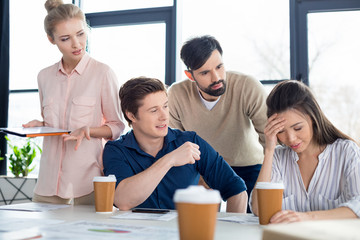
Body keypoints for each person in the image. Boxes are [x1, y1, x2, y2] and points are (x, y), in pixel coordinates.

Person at [22, 0, 125, 204]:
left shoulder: (103, 73)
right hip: (46, 186)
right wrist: (40, 126)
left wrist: (88, 130)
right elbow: (55, 124)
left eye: (81, 34)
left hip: (86, 186)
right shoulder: (44, 77)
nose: (77, 44)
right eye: (65, 38)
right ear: (52, 40)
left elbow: (117, 127)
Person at [102, 77, 248, 212]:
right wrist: (169, 160)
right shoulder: (116, 150)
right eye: (154, 110)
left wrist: (232, 229)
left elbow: (237, 190)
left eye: (165, 106)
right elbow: (123, 201)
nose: (164, 116)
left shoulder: (190, 142)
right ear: (131, 115)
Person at [167, 35, 268, 211]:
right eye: (205, 72)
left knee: (251, 223)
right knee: (200, 224)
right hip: (205, 168)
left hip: (248, 166)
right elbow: (175, 144)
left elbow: (269, 137)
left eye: (219, 67)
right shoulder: (176, 94)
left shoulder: (247, 86)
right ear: (190, 75)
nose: (216, 77)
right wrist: (197, 176)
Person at [251, 80, 360, 223]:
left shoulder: (346, 152)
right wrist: (270, 149)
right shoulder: (277, 157)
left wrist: (308, 217)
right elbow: (259, 210)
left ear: (313, 118)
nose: (291, 139)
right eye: (281, 131)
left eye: (297, 128)